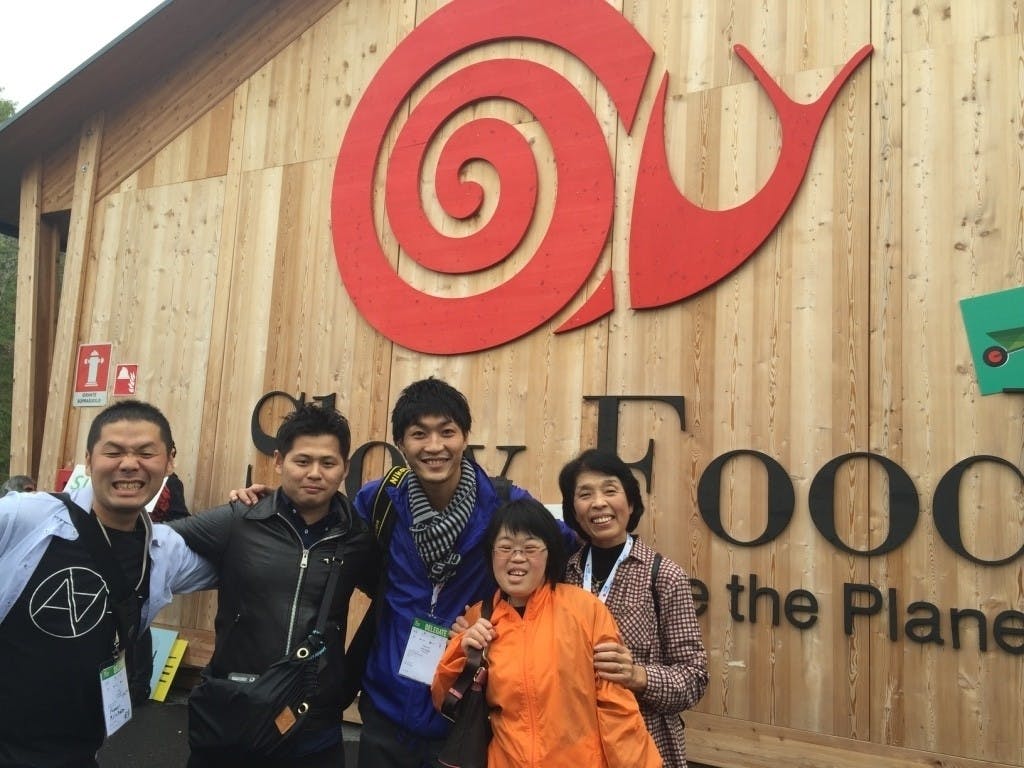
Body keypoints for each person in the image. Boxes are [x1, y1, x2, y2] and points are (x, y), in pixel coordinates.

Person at [0, 399, 215, 768]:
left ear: (169, 461)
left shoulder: (163, 551)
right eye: (113, 452)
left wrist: (258, 509)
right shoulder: (25, 516)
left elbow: (242, 561)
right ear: (89, 460)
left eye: (146, 452)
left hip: (78, 752)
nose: (129, 464)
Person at [170, 402, 376, 768]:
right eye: (302, 461)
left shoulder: (357, 538)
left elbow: (395, 599)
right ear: (279, 461)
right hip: (235, 710)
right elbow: (156, 543)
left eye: (328, 463)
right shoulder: (241, 518)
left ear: (345, 468)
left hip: (313, 723)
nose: (315, 473)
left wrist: (346, 678)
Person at [352, 377, 538, 768]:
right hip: (384, 711)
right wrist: (268, 501)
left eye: (447, 432)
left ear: (465, 438)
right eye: (419, 434)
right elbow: (327, 531)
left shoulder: (503, 505)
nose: (435, 446)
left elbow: (561, 550)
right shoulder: (379, 499)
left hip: (462, 715)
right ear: (401, 443)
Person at [431, 497, 662, 767]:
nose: (517, 557)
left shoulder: (584, 610)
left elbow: (615, 705)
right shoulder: (479, 618)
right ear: (491, 554)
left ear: (549, 553)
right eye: (505, 547)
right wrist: (462, 650)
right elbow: (444, 700)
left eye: (530, 547)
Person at [558, 449, 708, 768]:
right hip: (571, 744)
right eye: (585, 494)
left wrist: (638, 675)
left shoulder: (664, 576)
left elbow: (694, 677)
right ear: (573, 510)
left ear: (630, 502)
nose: (598, 503)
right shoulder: (563, 574)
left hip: (642, 745)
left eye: (610, 490)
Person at [130, 463, 192, 705]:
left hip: (149, 555)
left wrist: (156, 531)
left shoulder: (170, 483)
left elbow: (181, 519)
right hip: (120, 551)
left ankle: (139, 684)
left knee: (139, 616)